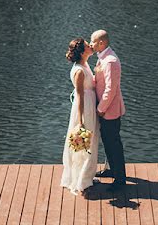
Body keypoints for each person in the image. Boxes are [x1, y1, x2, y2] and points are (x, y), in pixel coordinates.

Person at [60, 37, 100, 197]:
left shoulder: (85, 65)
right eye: (87, 46)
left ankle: (87, 176)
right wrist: (81, 121)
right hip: (84, 109)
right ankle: (80, 181)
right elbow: (80, 96)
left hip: (90, 105)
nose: (91, 46)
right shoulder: (79, 71)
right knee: (83, 145)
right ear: (83, 52)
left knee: (91, 142)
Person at [90, 29, 126, 191]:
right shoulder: (104, 57)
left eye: (93, 41)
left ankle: (120, 180)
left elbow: (110, 89)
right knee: (108, 142)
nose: (91, 44)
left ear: (101, 43)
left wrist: (101, 108)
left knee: (114, 145)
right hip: (106, 110)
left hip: (109, 111)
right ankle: (112, 170)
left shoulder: (110, 61)